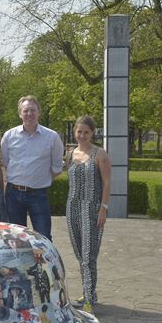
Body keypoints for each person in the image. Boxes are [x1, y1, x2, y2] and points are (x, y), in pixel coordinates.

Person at [1, 95, 64, 240]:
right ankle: (19, 264)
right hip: (13, 195)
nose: (29, 114)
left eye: (33, 110)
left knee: (43, 237)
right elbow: (6, 162)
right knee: (15, 238)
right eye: (26, 110)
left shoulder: (52, 137)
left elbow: (56, 168)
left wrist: (37, 180)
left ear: (38, 112)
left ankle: (43, 263)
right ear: (20, 114)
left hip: (39, 195)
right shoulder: (9, 136)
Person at [65, 115, 111, 312]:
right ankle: (87, 290)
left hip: (92, 208)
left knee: (88, 255)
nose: (82, 135)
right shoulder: (70, 155)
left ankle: (90, 299)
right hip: (72, 207)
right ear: (75, 132)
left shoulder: (99, 154)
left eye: (86, 132)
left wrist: (104, 208)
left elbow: (107, 183)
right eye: (79, 131)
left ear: (92, 133)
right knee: (78, 253)